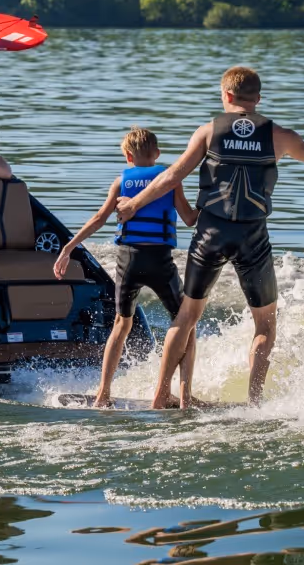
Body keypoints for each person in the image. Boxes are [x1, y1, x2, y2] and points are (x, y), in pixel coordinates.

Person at [116, 66, 304, 408]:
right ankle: (254, 403)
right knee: (265, 326)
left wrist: (135, 204)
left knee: (185, 318)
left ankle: (160, 396)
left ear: (226, 95)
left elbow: (171, 176)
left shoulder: (208, 132)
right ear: (257, 99)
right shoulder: (278, 135)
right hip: (252, 238)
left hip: (210, 233)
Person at [53, 127, 200, 408]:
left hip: (129, 259)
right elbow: (190, 218)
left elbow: (98, 218)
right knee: (185, 325)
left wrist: (68, 248)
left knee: (121, 325)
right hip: (161, 261)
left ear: (127, 156)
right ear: (157, 154)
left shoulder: (121, 181)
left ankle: (102, 394)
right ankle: (184, 396)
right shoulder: (170, 180)